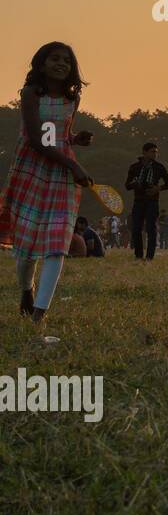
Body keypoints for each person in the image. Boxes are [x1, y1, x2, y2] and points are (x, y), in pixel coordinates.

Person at [0, 43, 95, 325]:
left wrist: (75, 139)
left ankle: (40, 313)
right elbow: (36, 139)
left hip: (61, 178)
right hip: (31, 170)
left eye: (67, 61)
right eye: (55, 59)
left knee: (57, 242)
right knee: (27, 243)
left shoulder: (72, 99)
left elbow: (56, 134)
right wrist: (74, 164)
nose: (61, 64)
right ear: (41, 65)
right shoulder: (31, 94)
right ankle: (26, 290)